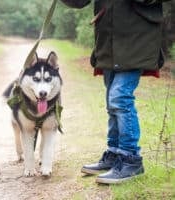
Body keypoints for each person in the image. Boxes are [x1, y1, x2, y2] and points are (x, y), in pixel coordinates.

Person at [60, 0, 170, 184]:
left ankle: (131, 160)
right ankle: (114, 154)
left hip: (136, 40)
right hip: (108, 41)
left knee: (119, 98)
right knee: (112, 103)